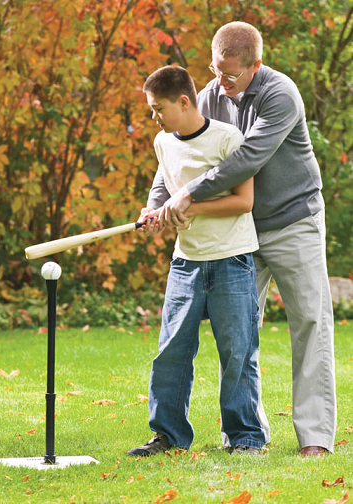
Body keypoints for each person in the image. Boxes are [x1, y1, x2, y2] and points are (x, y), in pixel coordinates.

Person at [144, 21, 336, 457]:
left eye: (231, 76)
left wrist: (189, 195)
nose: (222, 83)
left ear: (256, 66)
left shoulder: (280, 94)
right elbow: (179, 155)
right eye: (215, 72)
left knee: (309, 322)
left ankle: (316, 438)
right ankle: (248, 434)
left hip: (292, 220)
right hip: (241, 236)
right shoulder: (211, 94)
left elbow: (248, 158)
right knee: (240, 333)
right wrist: (160, 201)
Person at [128, 65, 266, 457]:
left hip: (231, 259)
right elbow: (164, 184)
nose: (154, 116)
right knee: (171, 352)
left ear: (184, 101)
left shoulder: (227, 139)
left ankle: (245, 438)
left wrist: (194, 208)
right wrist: (155, 210)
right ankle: (168, 435)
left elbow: (244, 201)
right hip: (185, 262)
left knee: (237, 352)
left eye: (158, 108)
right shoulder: (163, 142)